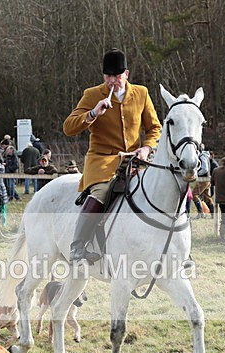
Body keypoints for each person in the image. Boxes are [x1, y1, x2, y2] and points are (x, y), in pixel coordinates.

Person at [62, 48, 162, 263]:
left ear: (126, 74)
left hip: (136, 159)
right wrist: (92, 113)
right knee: (101, 192)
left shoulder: (142, 93)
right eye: (108, 76)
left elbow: (154, 128)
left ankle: (176, 245)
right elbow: (68, 127)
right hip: (102, 161)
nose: (112, 81)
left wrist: (147, 148)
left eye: (116, 76)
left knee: (166, 186)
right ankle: (78, 247)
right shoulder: (92, 95)